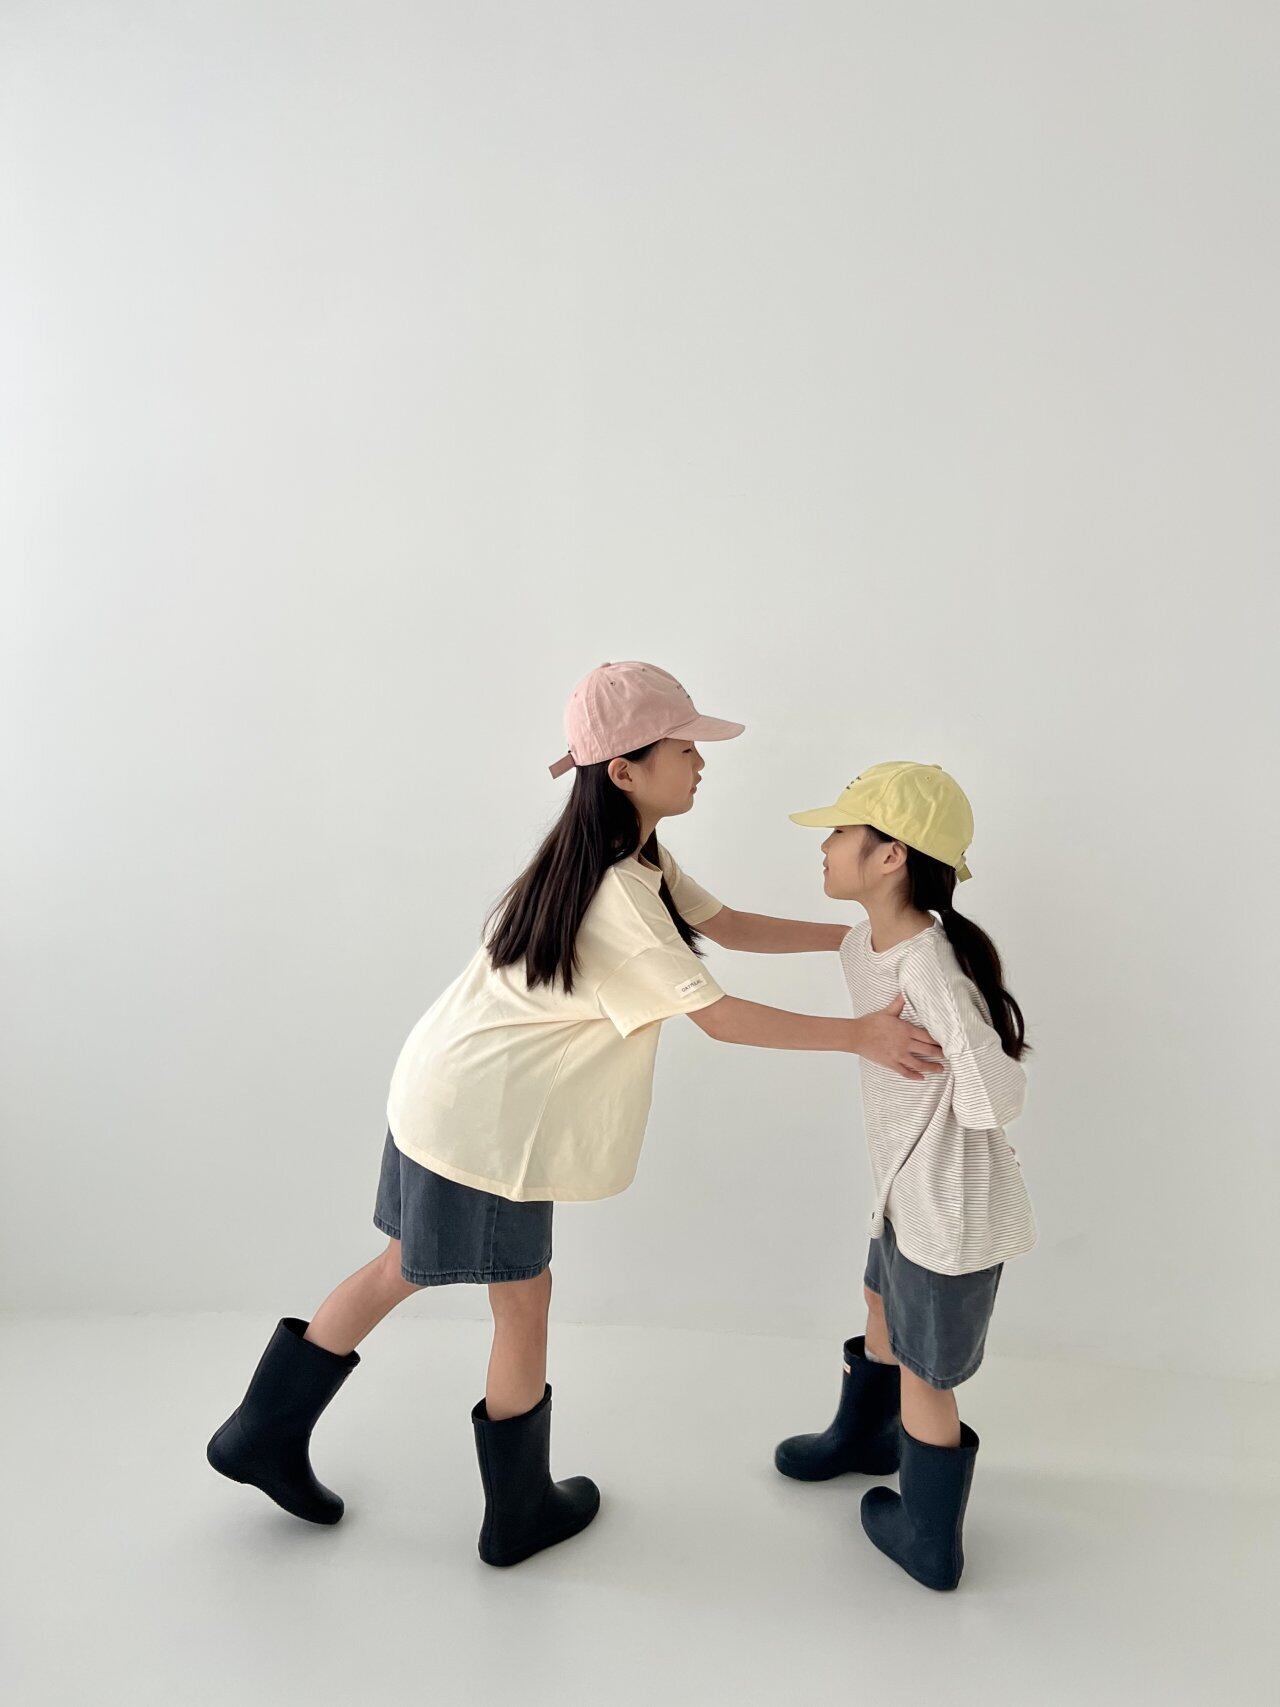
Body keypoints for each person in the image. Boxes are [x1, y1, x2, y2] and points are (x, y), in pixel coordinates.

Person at [206, 665, 945, 1566]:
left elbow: (725, 925)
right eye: (685, 748)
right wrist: (861, 1034)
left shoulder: (629, 855)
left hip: (447, 1090)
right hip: (484, 1121)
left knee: (410, 1267)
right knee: (520, 1297)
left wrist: (858, 937)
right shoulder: (617, 893)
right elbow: (718, 1017)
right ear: (625, 770)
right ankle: (514, 1510)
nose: (701, 762)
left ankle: (261, 1432)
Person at [775, 762, 1036, 1590]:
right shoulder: (870, 941)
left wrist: (958, 1093)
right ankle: (865, 1437)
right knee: (878, 1301)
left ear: (891, 856)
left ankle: (930, 1540)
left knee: (926, 1372)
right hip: (901, 1192)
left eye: (840, 831)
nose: (824, 844)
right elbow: (768, 931)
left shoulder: (929, 966)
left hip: (946, 1206)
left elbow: (999, 1092)